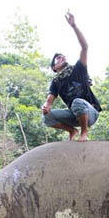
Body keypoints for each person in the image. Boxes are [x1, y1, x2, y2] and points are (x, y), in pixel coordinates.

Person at [42, 11, 101, 142]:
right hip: (75, 114)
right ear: (54, 68)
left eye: (62, 56)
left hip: (90, 111)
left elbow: (85, 47)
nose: (61, 58)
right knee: (46, 117)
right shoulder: (56, 81)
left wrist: (74, 26)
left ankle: (84, 132)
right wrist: (46, 106)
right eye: (57, 58)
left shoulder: (78, 69)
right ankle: (72, 130)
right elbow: (50, 99)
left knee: (77, 102)